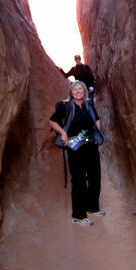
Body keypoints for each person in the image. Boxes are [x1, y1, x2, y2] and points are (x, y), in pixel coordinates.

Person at [49, 80, 105, 226]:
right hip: (75, 148)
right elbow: (52, 121)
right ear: (71, 92)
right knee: (79, 180)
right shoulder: (66, 106)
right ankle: (78, 216)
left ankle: (92, 208)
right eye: (75, 89)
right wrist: (63, 133)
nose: (78, 91)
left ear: (84, 91)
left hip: (91, 146)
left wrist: (96, 133)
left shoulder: (88, 105)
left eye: (80, 88)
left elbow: (97, 120)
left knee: (94, 178)